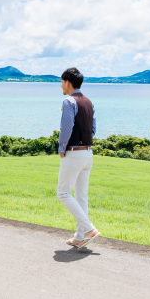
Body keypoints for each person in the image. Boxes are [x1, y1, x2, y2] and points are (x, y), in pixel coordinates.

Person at [57, 67, 100, 248]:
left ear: (67, 82)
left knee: (63, 193)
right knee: (81, 196)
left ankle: (89, 228)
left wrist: (61, 148)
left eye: (61, 82)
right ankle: (80, 236)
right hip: (88, 153)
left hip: (74, 153)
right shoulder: (89, 102)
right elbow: (93, 129)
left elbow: (66, 128)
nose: (61, 86)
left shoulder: (68, 101)